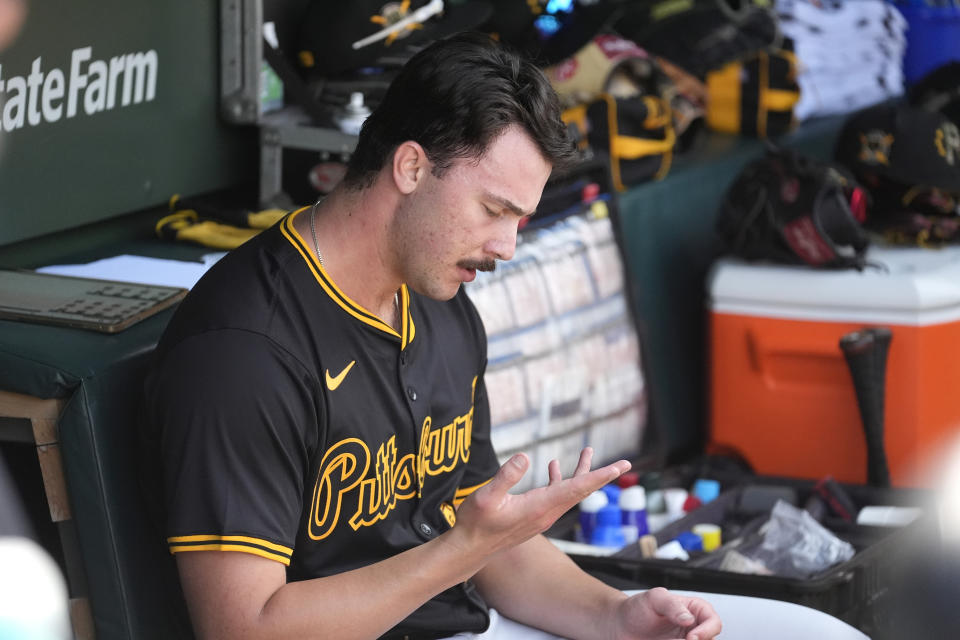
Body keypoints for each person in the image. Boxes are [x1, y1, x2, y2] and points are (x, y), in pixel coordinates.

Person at [140, 31, 721, 640]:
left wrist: (615, 616)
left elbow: (490, 546)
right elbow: (243, 630)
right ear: (411, 166)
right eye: (494, 211)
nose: (508, 247)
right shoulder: (245, 350)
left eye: (520, 220)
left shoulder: (438, 299)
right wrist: (463, 549)